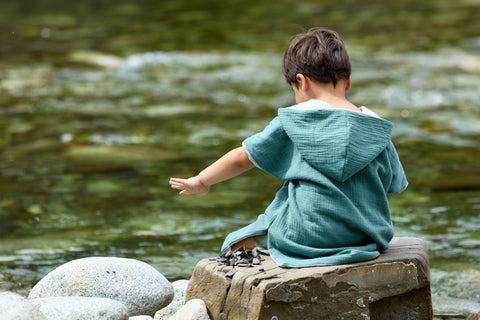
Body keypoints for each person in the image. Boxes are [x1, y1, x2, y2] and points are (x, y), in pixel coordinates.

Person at [169, 28, 408, 267]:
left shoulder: (296, 120)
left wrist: (201, 180)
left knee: (236, 244)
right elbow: (394, 185)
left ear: (301, 82)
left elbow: (243, 157)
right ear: (348, 84)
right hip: (366, 239)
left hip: (303, 237)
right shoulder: (377, 129)